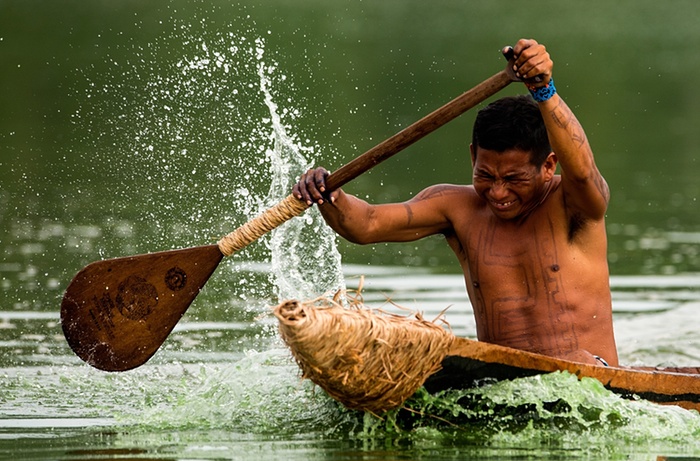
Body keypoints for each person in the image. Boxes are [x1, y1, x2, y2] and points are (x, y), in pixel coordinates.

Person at [292, 38, 619, 367]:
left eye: (514, 179)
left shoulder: (573, 204)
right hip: (500, 386)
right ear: (473, 156)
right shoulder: (455, 207)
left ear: (549, 166)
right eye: (486, 176)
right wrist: (327, 191)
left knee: (580, 362)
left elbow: (582, 173)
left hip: (595, 381)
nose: (498, 193)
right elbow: (366, 224)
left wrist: (544, 91)